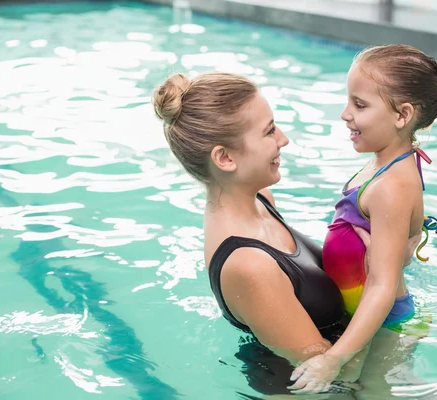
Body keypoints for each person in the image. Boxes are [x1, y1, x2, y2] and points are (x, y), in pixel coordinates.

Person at [152, 71, 388, 396]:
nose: (284, 138)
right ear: (225, 158)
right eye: (269, 131)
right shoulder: (249, 266)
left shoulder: (261, 200)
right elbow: (331, 371)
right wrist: (383, 277)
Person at [288, 44, 437, 394]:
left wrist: (333, 358)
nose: (345, 114)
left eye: (360, 105)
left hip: (385, 329)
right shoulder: (388, 163)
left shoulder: (391, 187)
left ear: (402, 115)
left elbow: (382, 286)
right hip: (373, 319)